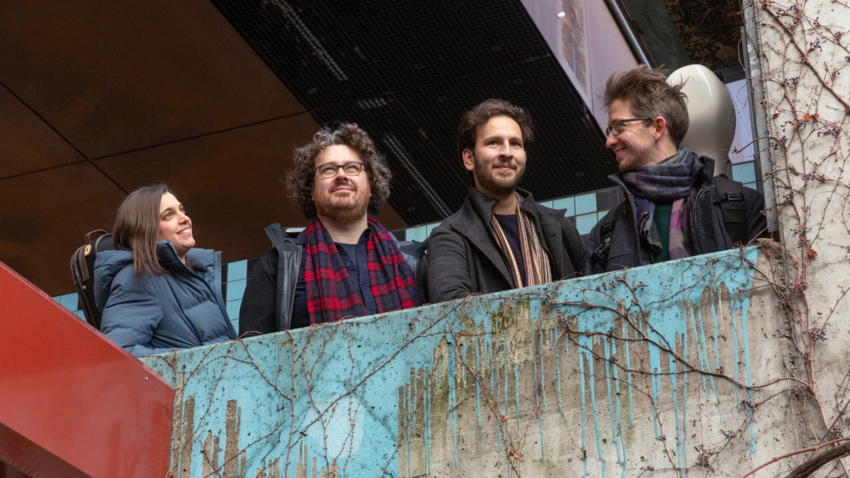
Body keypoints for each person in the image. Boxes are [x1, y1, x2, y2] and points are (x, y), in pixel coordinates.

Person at [239, 123, 420, 335]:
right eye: (328, 170)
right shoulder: (278, 266)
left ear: (370, 185)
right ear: (311, 190)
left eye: (352, 168)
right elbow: (253, 350)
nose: (341, 175)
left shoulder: (413, 261)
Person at [586, 66, 768, 275]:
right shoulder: (606, 232)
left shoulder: (742, 207)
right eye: (610, 130)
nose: (609, 141)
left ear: (657, 127)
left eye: (619, 127)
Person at [427, 99, 587, 303]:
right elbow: (451, 310)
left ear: (524, 156)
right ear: (469, 158)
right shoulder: (448, 237)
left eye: (515, 144)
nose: (507, 152)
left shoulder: (560, 227)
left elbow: (592, 297)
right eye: (493, 142)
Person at [94, 186, 236, 357]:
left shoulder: (197, 271)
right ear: (146, 230)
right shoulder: (138, 277)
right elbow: (120, 353)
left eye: (181, 209)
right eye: (168, 215)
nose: (184, 218)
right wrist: (194, 359)